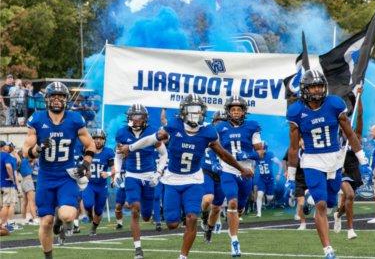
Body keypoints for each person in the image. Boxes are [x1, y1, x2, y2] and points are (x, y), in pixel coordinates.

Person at [118, 94, 253, 259]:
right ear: (183, 112)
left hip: (194, 180)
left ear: (202, 112)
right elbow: (151, 139)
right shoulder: (174, 125)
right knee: (172, 224)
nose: (195, 114)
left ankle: (183, 256)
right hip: (172, 180)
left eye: (198, 111)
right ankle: (181, 212)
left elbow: (224, 154)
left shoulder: (208, 131)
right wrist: (130, 148)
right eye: (191, 110)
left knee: (192, 217)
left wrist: (241, 168)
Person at [286, 70, 370, 259]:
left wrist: (362, 159)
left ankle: (310, 196)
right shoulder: (296, 111)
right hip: (312, 161)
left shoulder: (334, 104)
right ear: (305, 89)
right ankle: (328, 250)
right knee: (322, 205)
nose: (316, 90)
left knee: (331, 203)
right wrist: (291, 175)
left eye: (319, 85)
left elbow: (350, 134)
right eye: (312, 86)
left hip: (335, 159)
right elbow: (293, 147)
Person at [22, 81, 95, 259]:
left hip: (66, 176)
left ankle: (59, 218)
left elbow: (90, 143)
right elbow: (26, 152)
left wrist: (85, 164)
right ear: (46, 99)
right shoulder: (37, 119)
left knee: (68, 216)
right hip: (46, 177)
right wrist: (37, 149)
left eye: (60, 96)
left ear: (66, 100)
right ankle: (49, 257)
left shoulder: (75, 119)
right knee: (45, 223)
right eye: (53, 96)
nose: (56, 99)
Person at [114, 103, 168, 259]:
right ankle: (138, 248)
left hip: (149, 175)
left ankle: (148, 214)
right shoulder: (122, 133)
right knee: (135, 208)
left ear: (145, 118)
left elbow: (163, 154)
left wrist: (158, 173)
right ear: (129, 118)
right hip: (132, 175)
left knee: (145, 215)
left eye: (140, 117)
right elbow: (118, 155)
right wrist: (117, 172)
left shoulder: (152, 132)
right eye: (134, 117)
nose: (137, 120)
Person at [216, 96, 264, 256]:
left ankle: (233, 226)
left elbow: (260, 153)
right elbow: (214, 148)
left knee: (240, 207)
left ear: (244, 111)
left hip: (246, 172)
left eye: (239, 109)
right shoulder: (220, 127)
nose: (236, 112)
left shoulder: (252, 126)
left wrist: (247, 154)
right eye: (233, 109)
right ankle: (234, 241)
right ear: (228, 111)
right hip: (228, 170)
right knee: (232, 202)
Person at [333, 89, 364, 239]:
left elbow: (359, 116)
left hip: (354, 170)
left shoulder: (356, 135)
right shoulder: (336, 138)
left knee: (347, 202)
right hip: (341, 170)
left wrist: (357, 99)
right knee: (349, 195)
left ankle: (338, 214)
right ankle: (350, 229)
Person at [82, 129, 115, 236]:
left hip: (102, 186)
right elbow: (81, 164)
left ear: (104, 140)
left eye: (100, 138)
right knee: (87, 204)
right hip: (89, 184)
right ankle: (90, 216)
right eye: (95, 138)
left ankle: (94, 228)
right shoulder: (87, 150)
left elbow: (114, 169)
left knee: (99, 211)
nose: (98, 141)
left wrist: (109, 174)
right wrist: (85, 171)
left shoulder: (108, 152)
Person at [201, 110, 227, 244]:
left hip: (223, 173)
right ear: (214, 122)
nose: (220, 124)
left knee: (217, 207)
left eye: (223, 121)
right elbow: (210, 150)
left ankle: (209, 230)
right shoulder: (209, 132)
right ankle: (204, 218)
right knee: (208, 198)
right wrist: (215, 163)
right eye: (218, 121)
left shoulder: (229, 135)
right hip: (207, 169)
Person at [283, 139, 307, 230]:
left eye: (301, 139)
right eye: (300, 139)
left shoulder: (310, 148)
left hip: (311, 179)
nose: (301, 141)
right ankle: (302, 223)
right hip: (299, 180)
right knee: (300, 202)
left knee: (315, 201)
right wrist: (286, 170)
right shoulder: (292, 149)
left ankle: (317, 216)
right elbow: (285, 160)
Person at [256, 144, 283, 218]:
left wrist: (279, 174)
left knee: (270, 198)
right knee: (259, 195)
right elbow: (252, 164)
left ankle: (265, 197)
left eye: (262, 149)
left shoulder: (270, 155)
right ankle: (259, 213)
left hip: (270, 179)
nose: (261, 150)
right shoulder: (256, 156)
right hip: (261, 178)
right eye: (260, 149)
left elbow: (279, 164)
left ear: (265, 149)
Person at [19, 154, 39, 225]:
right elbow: (33, 156)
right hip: (28, 180)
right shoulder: (25, 160)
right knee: (31, 201)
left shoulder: (22, 162)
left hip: (23, 180)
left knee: (25, 202)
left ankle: (23, 218)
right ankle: (35, 218)